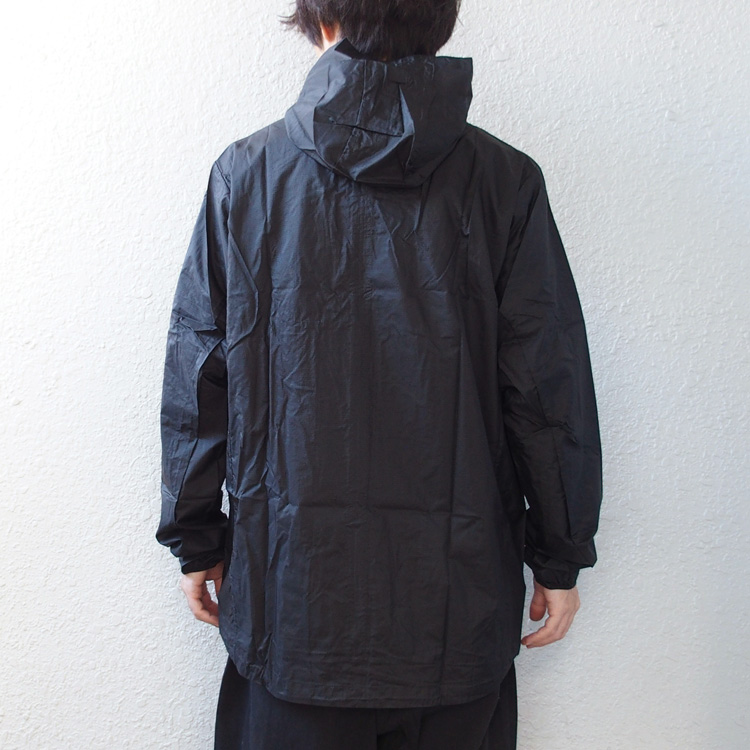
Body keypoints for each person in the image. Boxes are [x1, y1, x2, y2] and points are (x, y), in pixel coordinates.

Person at [155, 1, 603, 747]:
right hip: (453, 616)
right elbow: (546, 389)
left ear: (321, 21)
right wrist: (560, 556)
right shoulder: (506, 181)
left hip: (294, 611)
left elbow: (200, 375)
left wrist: (196, 538)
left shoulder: (247, 176)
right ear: (441, 20)